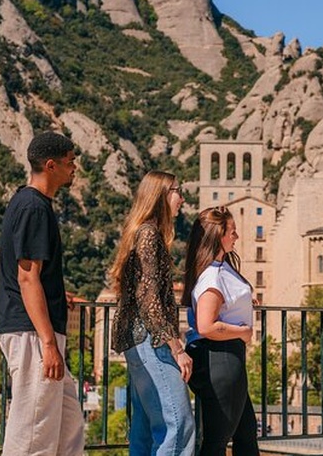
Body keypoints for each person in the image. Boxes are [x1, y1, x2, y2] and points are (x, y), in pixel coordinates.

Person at [0, 131, 83, 455]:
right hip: (32, 334)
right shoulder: (33, 208)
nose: (74, 168)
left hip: (35, 330)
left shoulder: (31, 203)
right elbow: (27, 278)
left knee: (68, 424)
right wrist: (48, 344)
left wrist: (58, 292)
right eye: (70, 162)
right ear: (51, 165)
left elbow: (36, 276)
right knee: (33, 432)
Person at [110, 171, 195, 455]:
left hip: (137, 341)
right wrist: (176, 347)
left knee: (144, 430)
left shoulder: (141, 232)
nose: (181, 197)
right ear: (160, 195)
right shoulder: (149, 235)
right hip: (151, 341)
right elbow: (149, 299)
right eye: (176, 190)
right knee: (178, 426)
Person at [182, 207, 259, 456]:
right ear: (218, 236)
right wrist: (242, 332)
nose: (236, 236)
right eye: (232, 232)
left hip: (225, 357)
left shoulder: (218, 268)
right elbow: (206, 326)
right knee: (218, 439)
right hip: (222, 356)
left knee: (245, 432)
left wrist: (245, 302)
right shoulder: (212, 276)